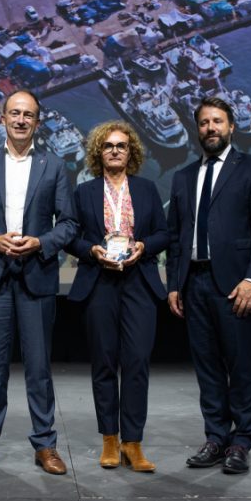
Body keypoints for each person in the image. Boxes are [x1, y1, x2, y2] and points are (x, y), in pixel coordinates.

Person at [0, 89, 79, 476]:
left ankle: (45, 445)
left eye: (28, 114)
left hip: (37, 277)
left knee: (39, 369)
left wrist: (41, 242)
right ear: (3, 119)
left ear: (37, 122)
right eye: (14, 113)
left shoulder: (55, 166)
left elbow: (71, 224)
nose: (21, 120)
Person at [166, 96, 251, 475]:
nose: (210, 128)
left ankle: (241, 442)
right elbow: (176, 235)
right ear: (195, 129)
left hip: (236, 285)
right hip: (194, 284)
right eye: (203, 123)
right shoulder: (182, 177)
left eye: (217, 121)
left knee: (242, 366)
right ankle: (216, 437)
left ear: (231, 127)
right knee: (208, 368)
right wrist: (174, 284)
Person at [67, 121, 168, 472]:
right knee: (104, 363)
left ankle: (133, 443)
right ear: (98, 152)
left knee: (137, 362)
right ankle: (110, 439)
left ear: (131, 152)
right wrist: (91, 250)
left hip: (139, 282)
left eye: (121, 146)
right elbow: (71, 237)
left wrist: (144, 245)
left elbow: (163, 233)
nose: (114, 150)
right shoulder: (84, 192)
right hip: (99, 283)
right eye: (108, 146)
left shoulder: (146, 189)